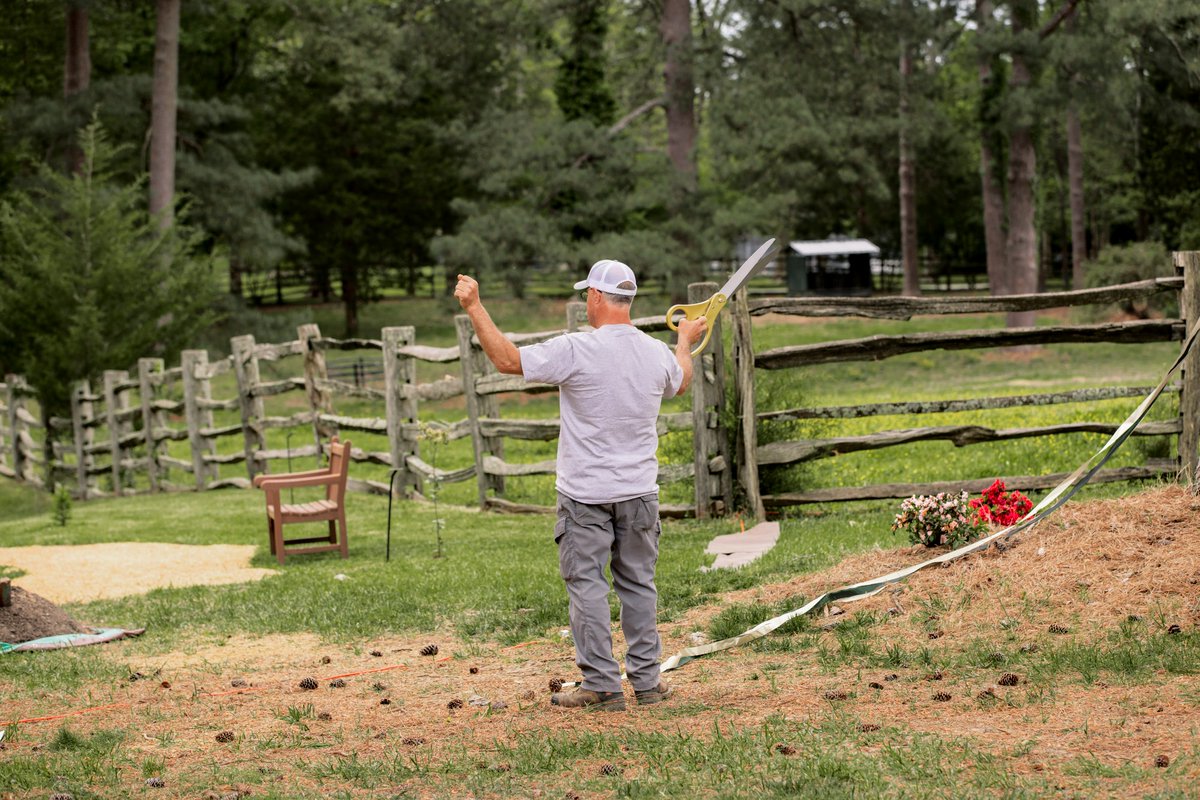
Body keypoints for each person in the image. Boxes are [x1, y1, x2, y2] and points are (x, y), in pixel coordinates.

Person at [454, 260, 706, 711]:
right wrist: (683, 341)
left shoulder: (577, 350)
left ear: (594, 297)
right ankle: (647, 685)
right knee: (639, 585)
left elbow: (507, 360)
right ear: (626, 300)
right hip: (639, 494)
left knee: (588, 586)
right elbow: (681, 381)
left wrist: (474, 306)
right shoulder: (654, 353)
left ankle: (603, 686)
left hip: (585, 497)